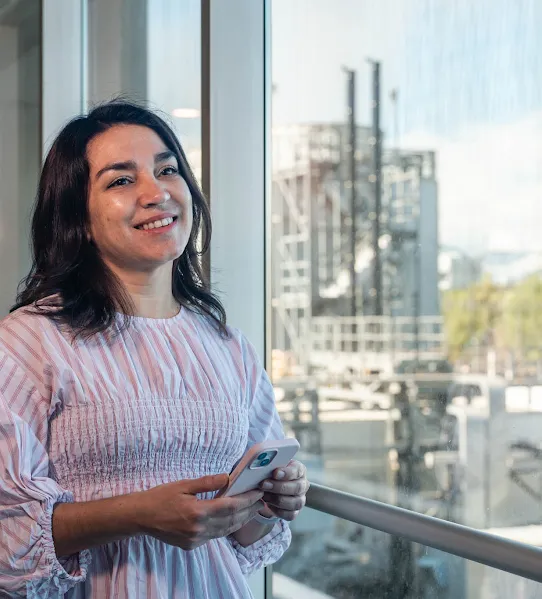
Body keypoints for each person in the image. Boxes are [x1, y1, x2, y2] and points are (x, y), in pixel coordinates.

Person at [0, 100, 309, 598]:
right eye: (121, 181)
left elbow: (244, 542)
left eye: (168, 170)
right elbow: (6, 538)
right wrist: (138, 515)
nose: (156, 192)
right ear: (77, 215)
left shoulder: (227, 347)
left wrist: (267, 504)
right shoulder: (27, 342)